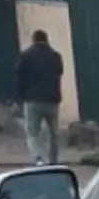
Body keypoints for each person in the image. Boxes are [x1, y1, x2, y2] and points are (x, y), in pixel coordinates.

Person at [16, 30, 63, 167]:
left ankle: (38, 158)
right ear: (47, 40)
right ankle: (53, 160)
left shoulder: (26, 56)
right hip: (52, 100)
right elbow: (59, 74)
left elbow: (20, 77)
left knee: (32, 132)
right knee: (54, 132)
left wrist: (20, 96)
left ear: (33, 40)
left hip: (32, 100)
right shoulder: (56, 56)